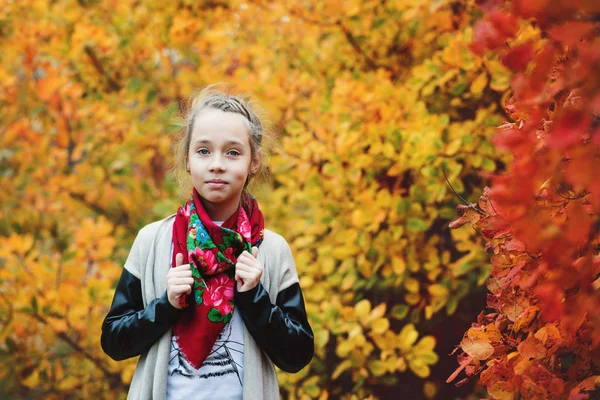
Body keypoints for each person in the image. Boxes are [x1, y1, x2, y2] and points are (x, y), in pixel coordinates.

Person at [101, 86, 314, 400]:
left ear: (254, 161)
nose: (217, 164)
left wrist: (254, 296)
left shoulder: (270, 250)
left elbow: (297, 356)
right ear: (187, 159)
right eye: (203, 151)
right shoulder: (153, 242)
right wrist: (166, 306)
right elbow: (114, 343)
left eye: (232, 152)